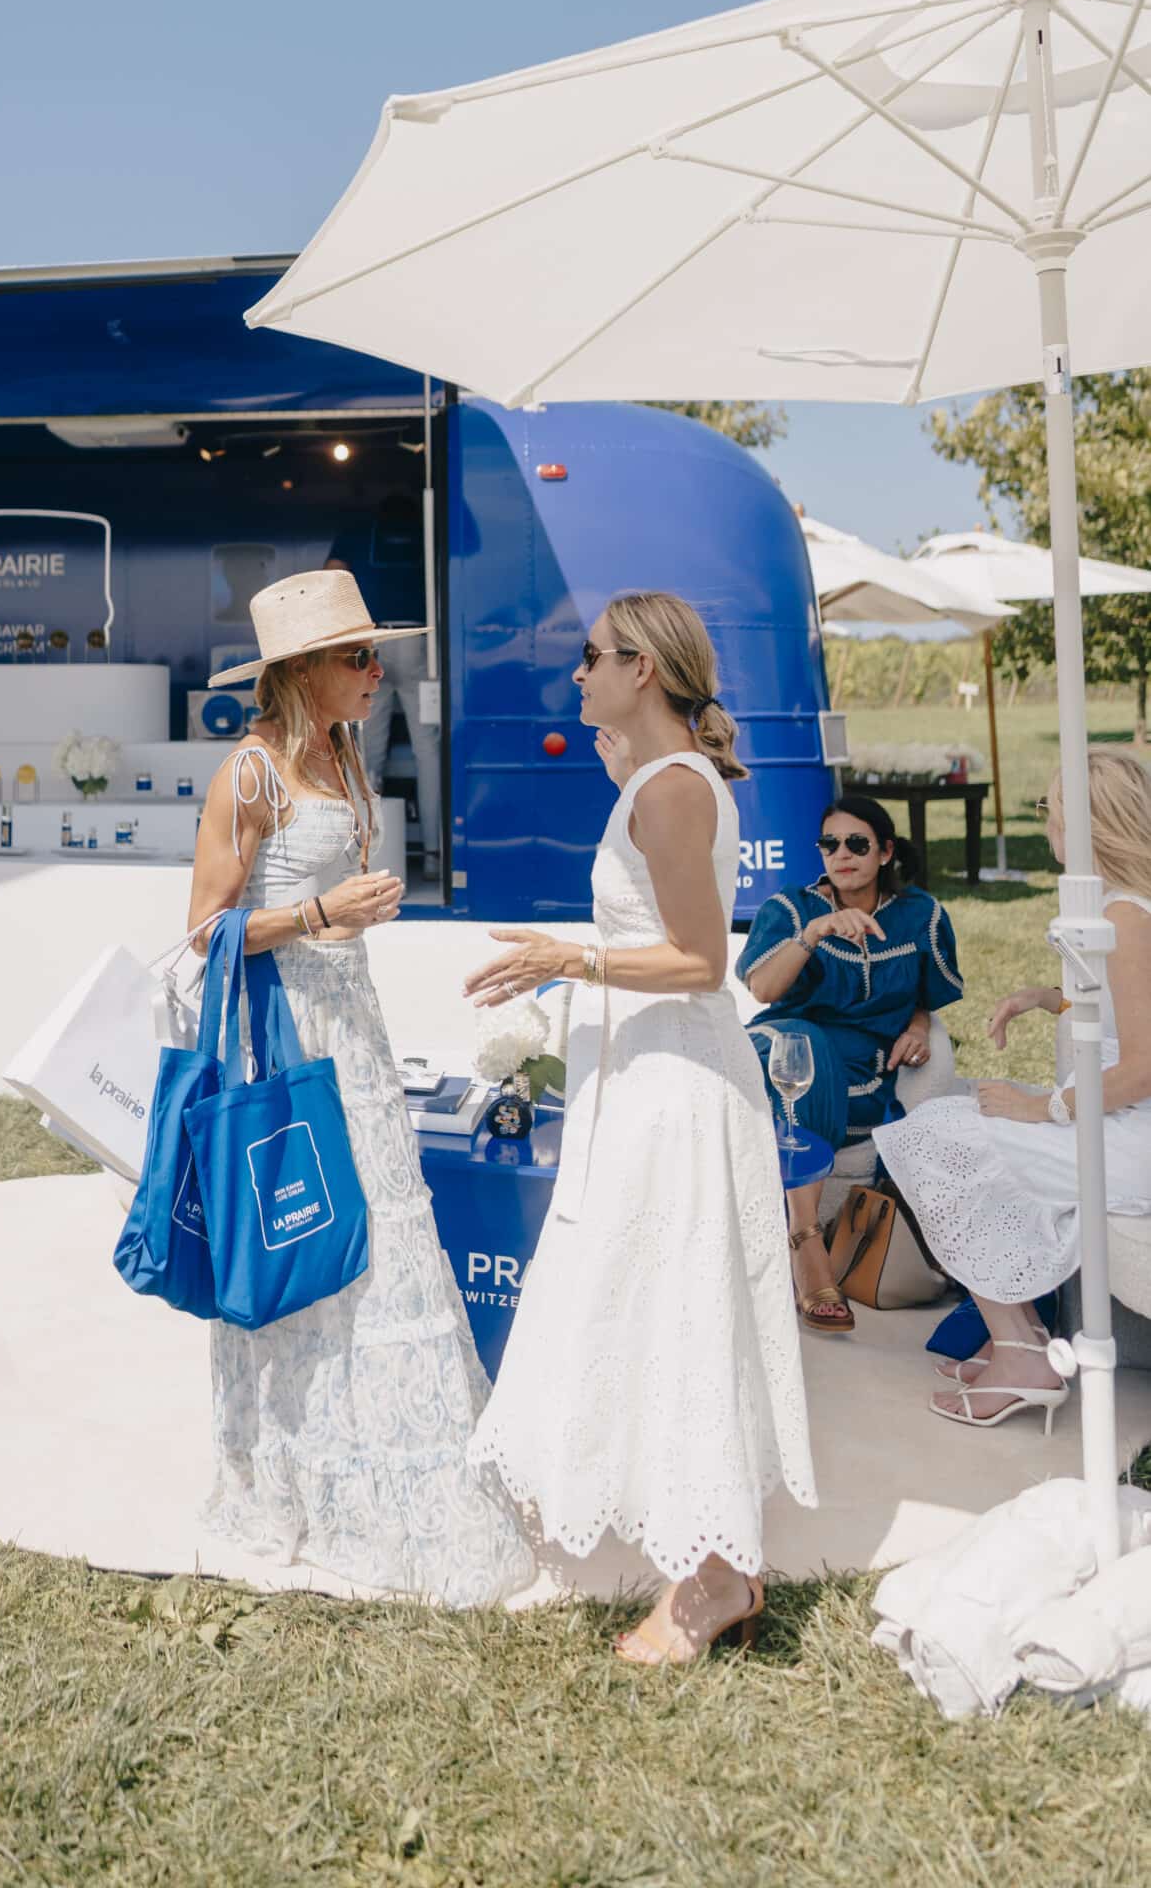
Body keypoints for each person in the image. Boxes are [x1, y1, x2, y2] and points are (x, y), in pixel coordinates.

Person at [462, 591, 815, 1662]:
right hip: (650, 1073)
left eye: (592, 656)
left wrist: (570, 958)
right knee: (650, 1299)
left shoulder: (671, 791)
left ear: (643, 670)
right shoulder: (661, 784)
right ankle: (706, 1563)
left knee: (678, 1308)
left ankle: (711, 1583)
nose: (576, 674)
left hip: (675, 1088)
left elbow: (705, 963)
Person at [187, 568, 532, 1605]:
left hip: (359, 1032)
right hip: (289, 1036)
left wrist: (343, 919)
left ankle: (402, 1469)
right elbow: (204, 932)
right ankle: (307, 1479)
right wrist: (320, 914)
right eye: (357, 657)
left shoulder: (341, 753)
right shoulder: (247, 774)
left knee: (386, 1247)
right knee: (311, 1241)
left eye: (374, 654)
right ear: (299, 671)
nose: (377, 671)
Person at [879, 748, 1151, 1432]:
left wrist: (1042, 1110)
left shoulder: (1128, 917)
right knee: (955, 1119)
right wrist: (1051, 999)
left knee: (942, 1135)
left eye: (1051, 808)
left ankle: (1023, 1357)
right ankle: (1020, 1342)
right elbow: (1125, 1012)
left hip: (1135, 1130)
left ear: (1087, 823)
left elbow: (1145, 1065)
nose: (1046, 822)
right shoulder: (1126, 907)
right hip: (1119, 1115)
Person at [737, 793, 963, 1335]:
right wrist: (814, 934)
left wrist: (914, 1026)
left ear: (885, 852)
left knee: (829, 1075)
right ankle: (806, 1241)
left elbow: (924, 993)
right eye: (830, 843)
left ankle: (802, 1235)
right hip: (781, 1050)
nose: (842, 854)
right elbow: (764, 988)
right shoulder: (792, 909)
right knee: (806, 1049)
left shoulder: (921, 917)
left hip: (865, 1073)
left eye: (857, 843)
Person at [325, 496, 440, 876]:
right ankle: (434, 853)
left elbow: (332, 575)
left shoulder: (355, 527)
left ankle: (364, 853)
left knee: (366, 750)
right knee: (427, 751)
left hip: (370, 640)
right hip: (417, 639)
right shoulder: (427, 526)